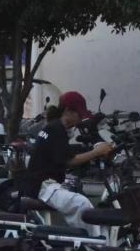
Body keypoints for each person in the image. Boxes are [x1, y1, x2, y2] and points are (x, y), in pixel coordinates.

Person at [20, 91, 114, 236]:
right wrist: (97, 152)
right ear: (68, 111)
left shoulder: (53, 127)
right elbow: (68, 161)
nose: (81, 119)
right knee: (82, 204)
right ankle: (94, 244)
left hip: (40, 184)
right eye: (79, 115)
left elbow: (62, 153)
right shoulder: (57, 129)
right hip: (44, 187)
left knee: (78, 194)